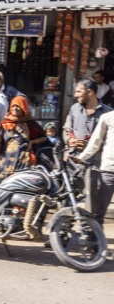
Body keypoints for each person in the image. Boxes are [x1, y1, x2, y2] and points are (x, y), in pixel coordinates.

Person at [63, 78, 112, 213]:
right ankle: (63, 227)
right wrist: (69, 141)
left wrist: (92, 146)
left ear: (89, 92)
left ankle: (90, 230)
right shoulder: (74, 109)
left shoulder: (107, 113)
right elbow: (67, 128)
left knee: (91, 200)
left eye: (78, 91)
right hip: (73, 162)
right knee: (67, 195)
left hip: (95, 164)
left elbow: (110, 140)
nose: (75, 95)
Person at [70, 110, 114, 226]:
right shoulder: (107, 118)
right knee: (100, 211)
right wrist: (81, 158)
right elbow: (95, 142)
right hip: (109, 170)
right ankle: (94, 240)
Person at [0, 96, 46, 178]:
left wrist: (33, 142)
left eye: (18, 106)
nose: (15, 108)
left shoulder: (29, 123)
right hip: (6, 162)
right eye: (13, 106)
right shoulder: (4, 123)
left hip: (23, 162)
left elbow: (44, 137)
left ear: (24, 107)